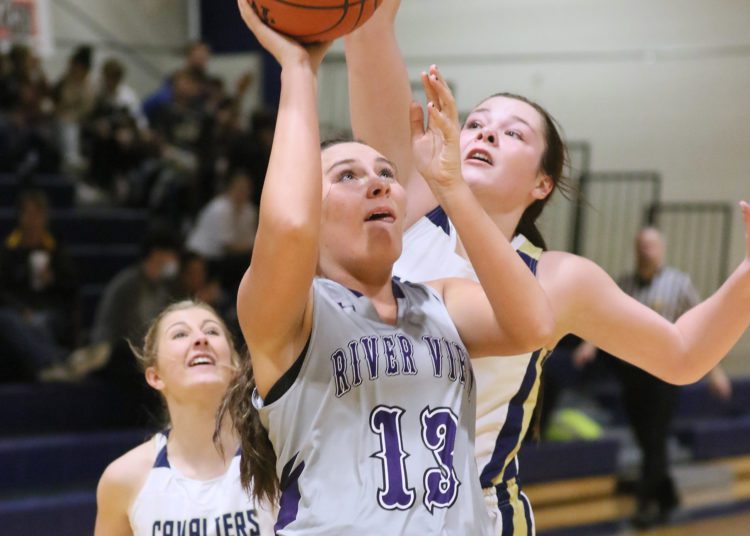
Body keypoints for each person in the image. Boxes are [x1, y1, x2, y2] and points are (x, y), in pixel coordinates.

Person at [343, 1, 750, 533]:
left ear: (542, 185)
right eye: (476, 124)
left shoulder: (558, 277)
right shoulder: (408, 207)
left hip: (470, 516)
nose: (486, 134)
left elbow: (682, 355)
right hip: (352, 504)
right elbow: (368, 35)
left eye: (513, 134)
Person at [221, 2, 555, 534]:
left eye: (384, 173)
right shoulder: (290, 317)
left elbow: (534, 325)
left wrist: (450, 185)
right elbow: (286, 225)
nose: (377, 183)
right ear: (312, 204)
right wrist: (297, 72)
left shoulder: (438, 299)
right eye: (347, 177)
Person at [574, 227, 732, 528]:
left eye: (651, 245)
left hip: (666, 374)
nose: (645, 250)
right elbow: (609, 318)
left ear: (662, 248)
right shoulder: (626, 283)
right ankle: (668, 496)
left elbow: (704, 328)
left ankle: (645, 504)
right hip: (633, 373)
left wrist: (716, 372)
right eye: (640, 245)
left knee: (655, 438)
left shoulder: (679, 283)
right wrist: (589, 345)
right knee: (645, 438)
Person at [93, 300, 276, 536]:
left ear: (235, 367)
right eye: (180, 334)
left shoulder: (277, 455)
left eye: (211, 331)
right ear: (155, 376)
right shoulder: (124, 479)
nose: (201, 339)